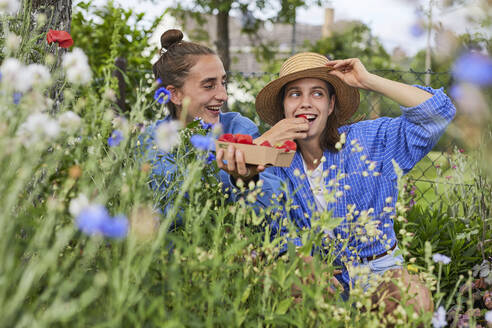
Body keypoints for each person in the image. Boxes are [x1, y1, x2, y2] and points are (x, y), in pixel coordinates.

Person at [254, 52, 455, 306]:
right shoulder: (273, 160)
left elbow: (438, 112)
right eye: (295, 94)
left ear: (330, 104)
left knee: (413, 296)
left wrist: (369, 80)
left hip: (379, 271)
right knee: (291, 292)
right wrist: (268, 139)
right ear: (284, 106)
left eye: (317, 93)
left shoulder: (368, 140)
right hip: (318, 273)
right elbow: (235, 172)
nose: (305, 103)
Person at [141, 29, 280, 221]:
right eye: (209, 85)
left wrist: (247, 180)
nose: (223, 95)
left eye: (223, 82)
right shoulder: (150, 141)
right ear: (175, 94)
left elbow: (274, 211)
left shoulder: (240, 130)